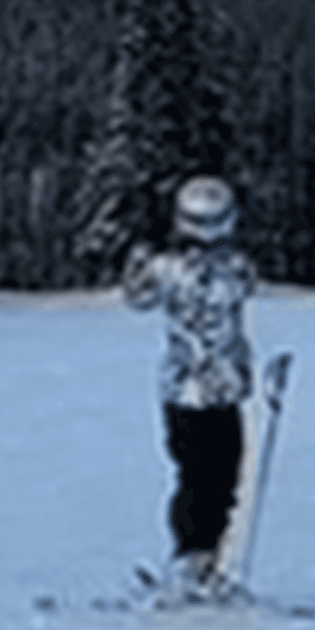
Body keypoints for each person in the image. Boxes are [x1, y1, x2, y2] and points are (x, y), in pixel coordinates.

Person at [120, 174, 258, 590]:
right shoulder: (233, 267)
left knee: (206, 478)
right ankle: (194, 560)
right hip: (212, 391)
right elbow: (244, 287)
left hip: (187, 392)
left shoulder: (170, 268)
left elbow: (136, 296)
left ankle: (205, 558)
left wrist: (139, 259)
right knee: (212, 479)